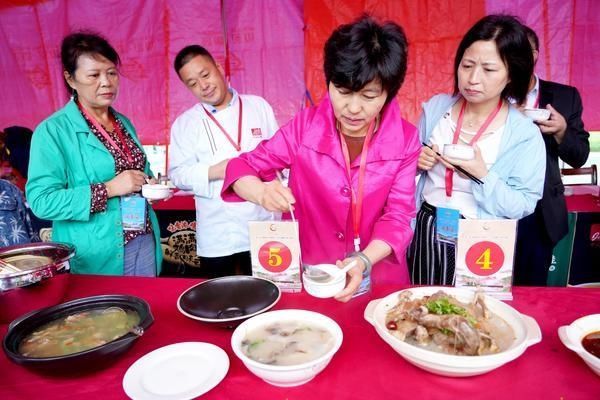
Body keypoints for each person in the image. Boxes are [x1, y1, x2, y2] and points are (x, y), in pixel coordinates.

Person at [221, 15, 420, 302]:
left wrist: (364, 260)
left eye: (368, 96)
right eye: (342, 92)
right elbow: (241, 166)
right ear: (329, 83)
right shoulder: (305, 127)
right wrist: (262, 192)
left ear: (388, 94)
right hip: (315, 275)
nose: (353, 108)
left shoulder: (405, 138)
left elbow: (399, 216)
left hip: (377, 275)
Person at [407, 15, 546, 285]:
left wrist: (483, 176)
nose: (472, 78)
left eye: (489, 70)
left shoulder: (524, 135)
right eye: (467, 65)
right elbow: (406, 164)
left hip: (481, 234)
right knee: (421, 306)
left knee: (472, 316)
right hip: (427, 225)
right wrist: (416, 161)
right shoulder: (436, 108)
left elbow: (524, 204)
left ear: (511, 74)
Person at [26, 32, 162, 276]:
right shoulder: (53, 131)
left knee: (147, 308)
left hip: (143, 237)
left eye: (111, 72)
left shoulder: (123, 123)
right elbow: (41, 201)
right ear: (71, 79)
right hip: (97, 252)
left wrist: (149, 184)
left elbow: (139, 171)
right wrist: (109, 188)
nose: (106, 82)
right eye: (94, 75)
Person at [168, 45, 279, 278]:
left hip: (263, 223)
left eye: (205, 75)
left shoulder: (258, 106)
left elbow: (278, 157)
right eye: (193, 83)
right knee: (221, 300)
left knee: (268, 294)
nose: (203, 86)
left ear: (218, 68)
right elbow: (177, 175)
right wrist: (216, 170)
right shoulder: (185, 123)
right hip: (218, 231)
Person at [513, 25, 590, 286]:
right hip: (489, 207)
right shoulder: (488, 97)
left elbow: (580, 156)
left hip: (540, 211)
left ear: (534, 55)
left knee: (532, 288)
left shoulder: (566, 97)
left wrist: (562, 131)